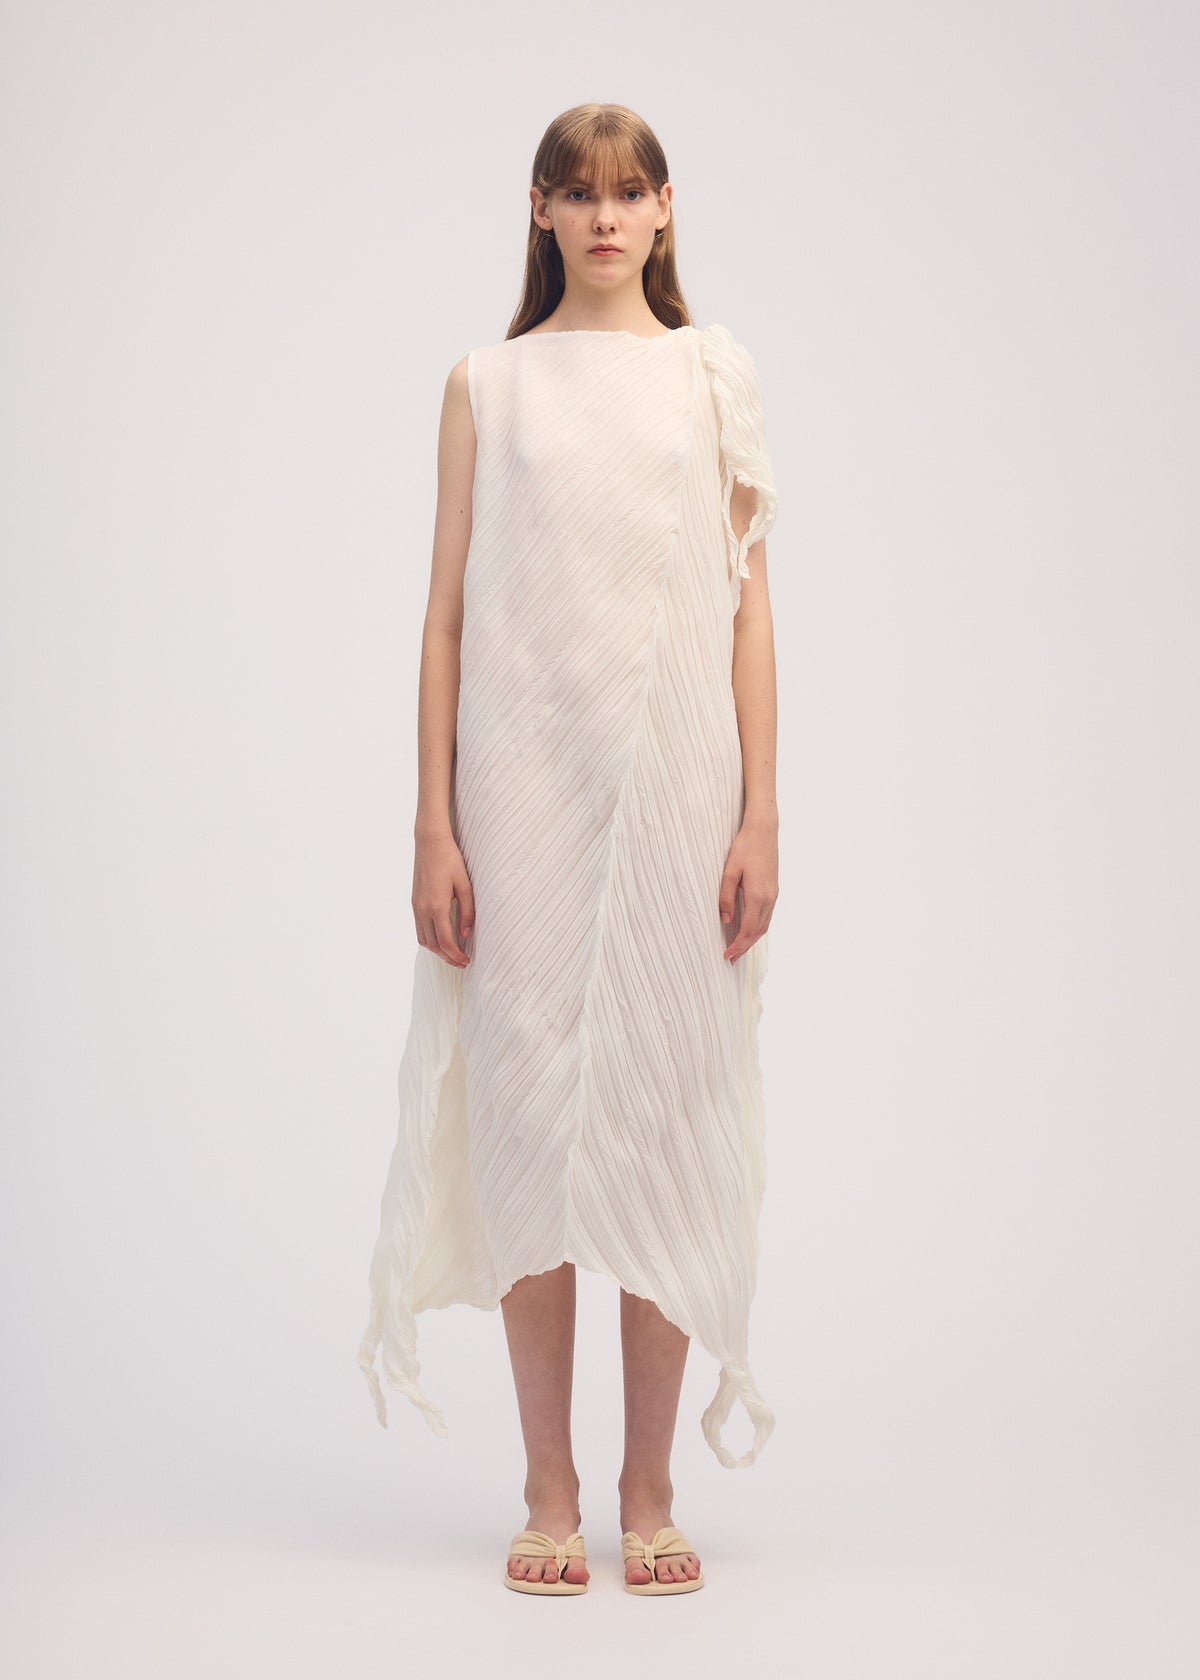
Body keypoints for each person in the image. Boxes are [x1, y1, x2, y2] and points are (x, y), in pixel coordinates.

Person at [357, 102, 781, 1597]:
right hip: (520, 788)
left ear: (665, 210)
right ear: (539, 211)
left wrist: (760, 812)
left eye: (630, 191)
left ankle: (650, 1487)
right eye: (577, 193)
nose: (606, 218)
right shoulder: (488, 384)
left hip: (675, 789)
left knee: (661, 1114)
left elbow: (749, 611)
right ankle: (549, 1486)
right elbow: (445, 619)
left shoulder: (712, 376)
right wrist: (433, 821)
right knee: (531, 1119)